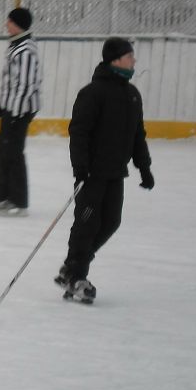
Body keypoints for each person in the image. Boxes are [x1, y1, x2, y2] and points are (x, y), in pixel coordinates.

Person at [57, 37, 154, 304]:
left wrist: (143, 167)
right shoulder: (93, 93)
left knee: (111, 222)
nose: (133, 61)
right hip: (92, 174)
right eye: (129, 56)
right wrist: (80, 169)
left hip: (115, 173)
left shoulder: (132, 94)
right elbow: (79, 133)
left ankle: (71, 267)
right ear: (115, 60)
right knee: (87, 225)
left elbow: (137, 135)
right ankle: (77, 276)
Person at [0, 7, 42, 215]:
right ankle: (0, 194)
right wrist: (1, 104)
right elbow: (10, 83)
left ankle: (19, 201)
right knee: (3, 151)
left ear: (18, 24)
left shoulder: (25, 51)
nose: (6, 24)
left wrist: (13, 111)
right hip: (11, 108)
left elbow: (26, 85)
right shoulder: (16, 47)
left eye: (9, 21)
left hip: (19, 111)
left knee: (13, 153)